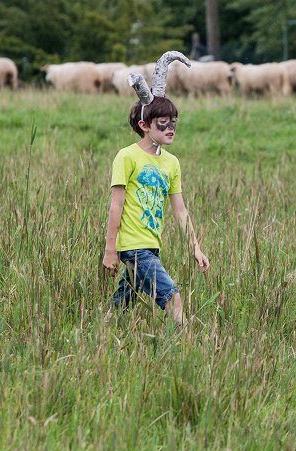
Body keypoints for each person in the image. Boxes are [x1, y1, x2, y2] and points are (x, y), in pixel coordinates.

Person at [102, 51, 210, 325]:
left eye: (174, 121)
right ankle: (186, 349)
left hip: (152, 246)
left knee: (122, 303)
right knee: (172, 296)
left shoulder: (171, 163)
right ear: (144, 125)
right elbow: (116, 204)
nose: (171, 126)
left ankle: (102, 333)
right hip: (133, 246)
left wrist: (195, 247)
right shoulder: (126, 157)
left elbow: (181, 211)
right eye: (163, 122)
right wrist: (110, 250)